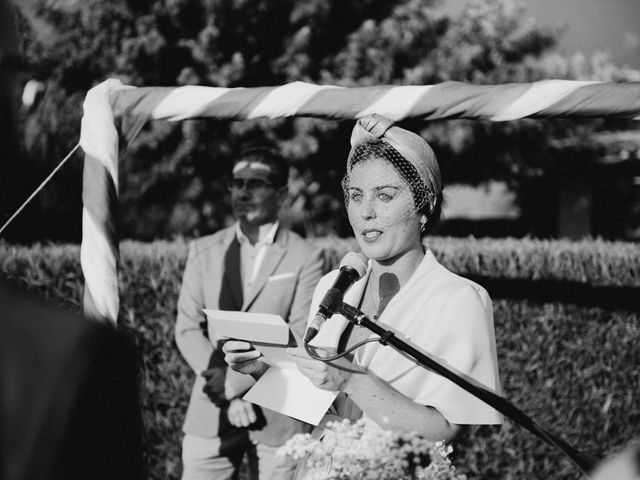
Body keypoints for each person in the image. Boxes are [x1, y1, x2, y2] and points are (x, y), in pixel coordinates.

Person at [223, 114, 502, 475]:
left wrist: (352, 378)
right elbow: (327, 407)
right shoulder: (335, 285)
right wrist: (262, 369)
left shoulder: (460, 299)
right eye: (356, 196)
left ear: (425, 205)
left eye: (385, 196)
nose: (366, 212)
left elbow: (447, 430)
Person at [175, 147, 325, 480]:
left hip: (278, 412)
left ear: (282, 193)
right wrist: (225, 389)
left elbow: (299, 334)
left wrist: (235, 383)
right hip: (211, 408)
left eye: (256, 183)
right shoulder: (204, 250)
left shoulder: (306, 256)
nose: (243, 192)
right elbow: (187, 328)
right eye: (237, 183)